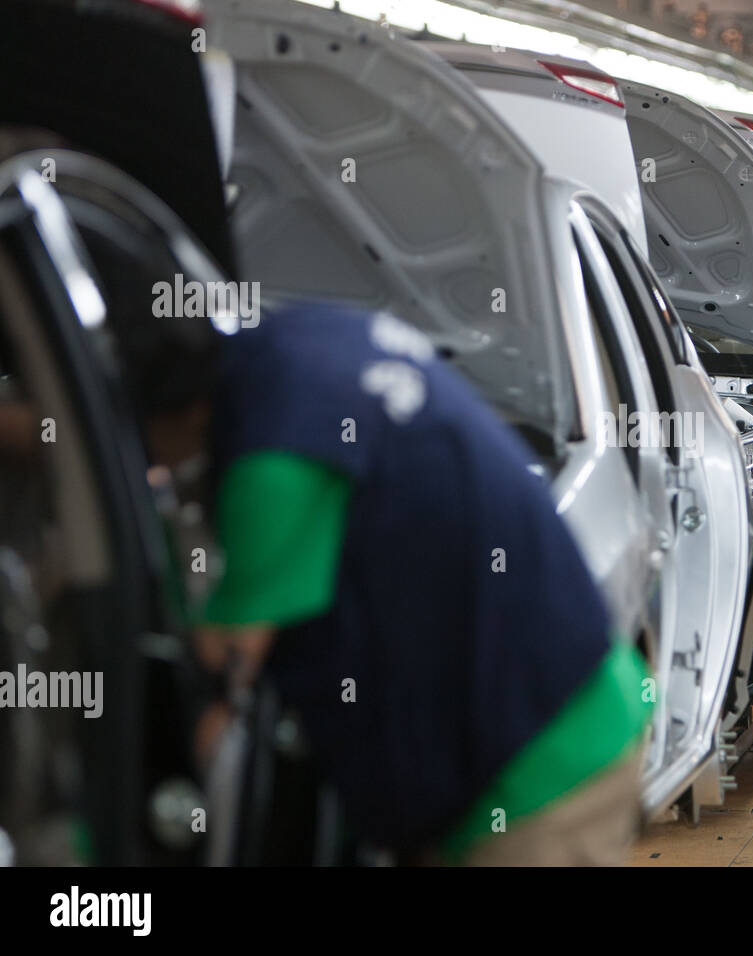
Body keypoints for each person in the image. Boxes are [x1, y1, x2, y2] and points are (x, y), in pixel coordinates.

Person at [122, 291, 652, 865]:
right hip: (573, 709)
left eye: (144, 447)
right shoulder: (305, 339)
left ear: (175, 411)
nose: (155, 469)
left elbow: (220, 674)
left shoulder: (278, 456)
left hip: (538, 774)